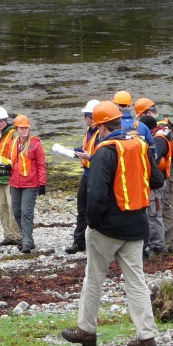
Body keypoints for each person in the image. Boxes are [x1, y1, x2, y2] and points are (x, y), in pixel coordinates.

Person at [61, 101, 163, 346]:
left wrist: (93, 225)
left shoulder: (104, 152)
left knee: (94, 279)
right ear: (119, 121)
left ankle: (87, 331)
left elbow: (95, 196)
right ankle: (146, 337)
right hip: (137, 226)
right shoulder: (140, 145)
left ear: (100, 127)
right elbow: (157, 180)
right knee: (136, 282)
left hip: (107, 229)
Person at [135, 98, 173, 255]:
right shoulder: (164, 127)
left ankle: (162, 245)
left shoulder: (160, 134)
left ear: (147, 113)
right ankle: (168, 243)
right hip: (166, 174)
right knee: (162, 210)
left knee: (161, 211)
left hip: (165, 175)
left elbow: (155, 158)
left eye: (140, 116)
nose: (139, 121)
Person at [66, 100, 102, 254]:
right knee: (82, 209)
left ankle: (95, 242)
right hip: (87, 174)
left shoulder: (101, 133)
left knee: (95, 209)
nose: (84, 118)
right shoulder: (89, 131)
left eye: (85, 115)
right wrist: (74, 151)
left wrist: (89, 156)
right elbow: (88, 149)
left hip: (96, 175)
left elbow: (103, 156)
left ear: (92, 117)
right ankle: (79, 242)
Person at [8, 114, 46, 253]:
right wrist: (5, 166)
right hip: (15, 183)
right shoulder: (13, 144)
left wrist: (42, 183)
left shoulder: (36, 144)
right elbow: (9, 161)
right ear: (17, 129)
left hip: (31, 184)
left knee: (26, 212)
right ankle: (27, 238)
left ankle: (26, 242)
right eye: (22, 128)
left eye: (26, 128)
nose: (24, 130)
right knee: (17, 212)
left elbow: (42, 164)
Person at [0, 107, 22, 247]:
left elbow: (18, 155)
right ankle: (9, 236)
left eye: (0, 121)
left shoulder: (13, 134)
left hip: (10, 176)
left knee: (13, 207)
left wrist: (6, 163)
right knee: (2, 208)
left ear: (5, 120)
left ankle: (19, 237)